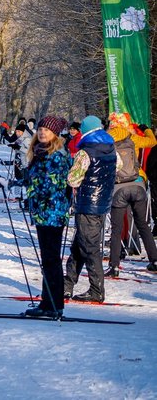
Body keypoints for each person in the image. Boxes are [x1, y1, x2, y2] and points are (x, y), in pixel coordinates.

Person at [4, 115, 72, 318]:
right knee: (48, 260)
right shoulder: (41, 152)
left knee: (51, 259)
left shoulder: (56, 156)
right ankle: (47, 302)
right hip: (44, 213)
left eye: (47, 130)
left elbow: (49, 185)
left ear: (55, 135)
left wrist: (30, 188)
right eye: (40, 129)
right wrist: (10, 183)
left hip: (53, 213)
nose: (42, 132)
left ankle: (53, 305)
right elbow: (32, 179)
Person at [63, 115, 121, 302]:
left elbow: (73, 179)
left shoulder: (85, 152)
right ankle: (67, 285)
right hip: (102, 203)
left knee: (89, 248)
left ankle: (97, 290)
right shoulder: (112, 148)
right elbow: (118, 167)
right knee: (80, 245)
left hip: (87, 204)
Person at [103, 112, 157, 276]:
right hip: (137, 183)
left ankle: (114, 266)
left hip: (118, 186)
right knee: (143, 225)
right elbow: (153, 141)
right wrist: (146, 129)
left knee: (116, 228)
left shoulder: (106, 139)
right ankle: (154, 260)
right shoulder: (132, 138)